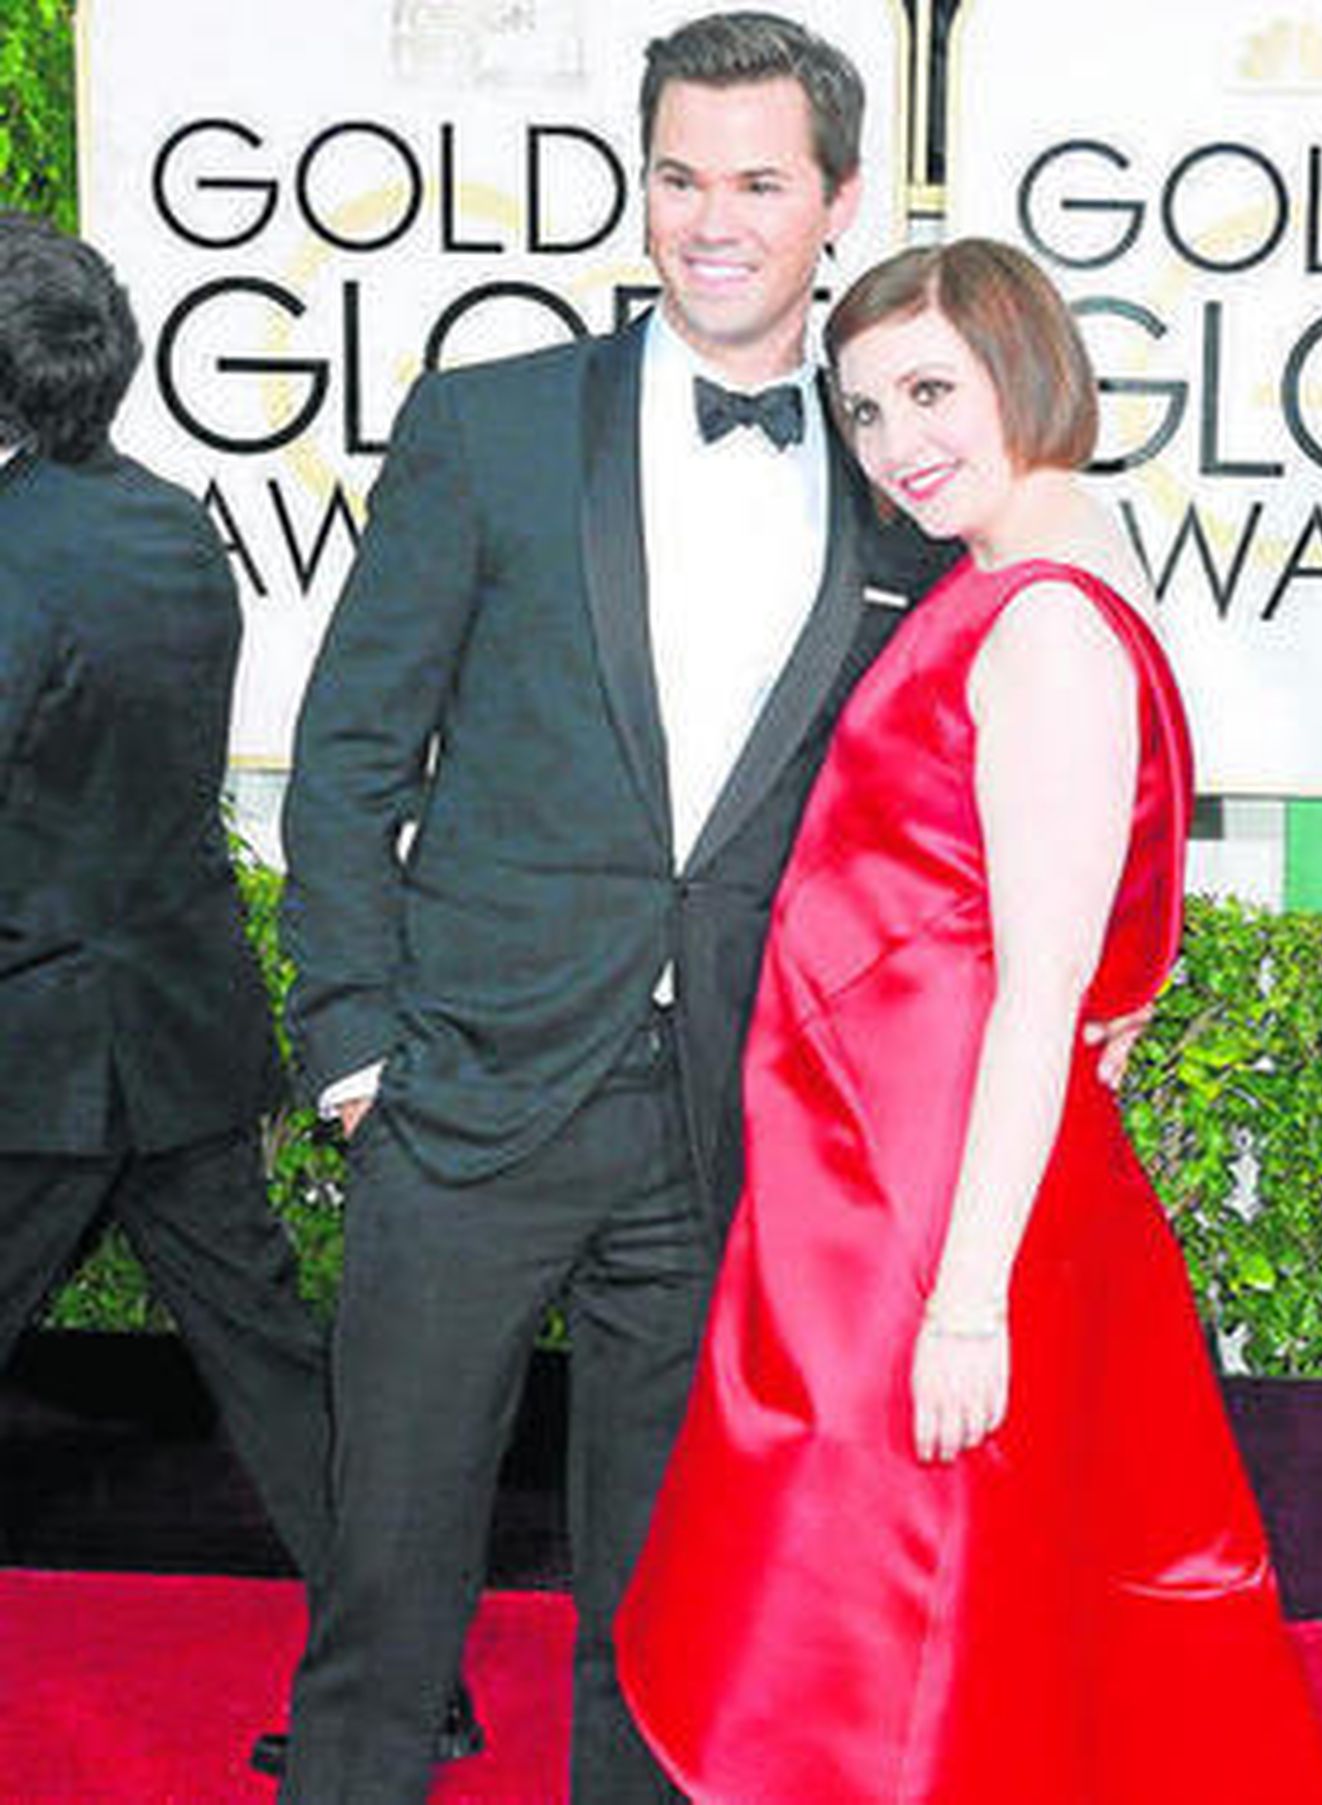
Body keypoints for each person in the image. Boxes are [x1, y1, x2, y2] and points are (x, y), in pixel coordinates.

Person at [270, 14, 958, 1803]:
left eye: (755, 182)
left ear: (838, 204)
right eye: (676, 177)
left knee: (663, 1630)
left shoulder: (898, 478)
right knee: (385, 1593)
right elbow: (348, 752)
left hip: (726, 1132)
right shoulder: (490, 426)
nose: (709, 220)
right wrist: (351, 1043)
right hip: (461, 1104)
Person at [617, 237, 1322, 1803]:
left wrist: (965, 1301)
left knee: (898, 1633)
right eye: (868, 411)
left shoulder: (1046, 628)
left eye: (931, 390)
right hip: (884, 1198)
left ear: (1030, 367)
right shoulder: (1009, 596)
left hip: (929, 1218)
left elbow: (1041, 988)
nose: (899, 444)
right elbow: (1092, 976)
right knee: (910, 1621)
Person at [0, 211, 332, 1703]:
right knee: (272, 1362)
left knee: (272, 1360)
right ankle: (408, 1669)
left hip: (40, 1046)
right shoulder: (165, 523)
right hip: (176, 1027)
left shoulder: (10, 556)